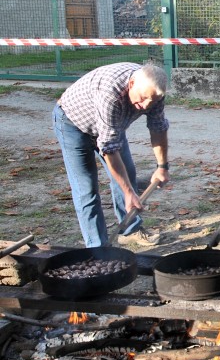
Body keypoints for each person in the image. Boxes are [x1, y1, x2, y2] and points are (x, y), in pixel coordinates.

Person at [53, 62, 170, 248]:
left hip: (111, 126)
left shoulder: (154, 93)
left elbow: (158, 128)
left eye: (152, 101)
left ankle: (130, 230)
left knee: (127, 176)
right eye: (143, 98)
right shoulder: (111, 94)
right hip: (73, 124)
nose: (146, 105)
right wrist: (129, 192)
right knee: (87, 189)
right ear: (131, 84)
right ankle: (98, 249)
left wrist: (162, 167)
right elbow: (108, 148)